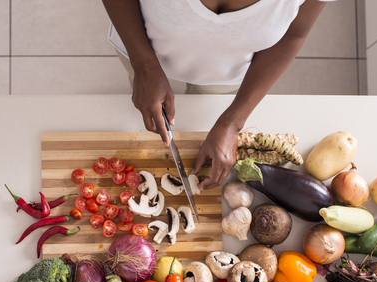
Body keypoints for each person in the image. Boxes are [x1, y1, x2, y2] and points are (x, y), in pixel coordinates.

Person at [102, 0, 333, 190]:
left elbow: (294, 33)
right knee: (142, 101)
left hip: (225, 75)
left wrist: (232, 122)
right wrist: (144, 66)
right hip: (143, 51)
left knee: (203, 102)